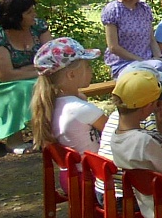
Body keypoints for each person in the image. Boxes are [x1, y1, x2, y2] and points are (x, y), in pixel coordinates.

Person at [106, 67, 162, 218]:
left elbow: (161, 154)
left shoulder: (117, 137)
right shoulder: (145, 140)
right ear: (147, 107)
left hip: (151, 210)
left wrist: (160, 123)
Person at [29, 37, 107, 188]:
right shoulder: (82, 109)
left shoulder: (51, 105)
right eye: (87, 66)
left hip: (70, 178)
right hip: (94, 179)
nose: (91, 70)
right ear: (71, 75)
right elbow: (117, 131)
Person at [0, 0, 51, 152]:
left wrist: (37, 70)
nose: (34, 15)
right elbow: (5, 75)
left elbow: (51, 58)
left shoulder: (38, 27)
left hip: (31, 73)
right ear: (14, 17)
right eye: (29, 12)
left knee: (52, 83)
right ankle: (14, 140)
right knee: (26, 88)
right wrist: (39, 70)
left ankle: (45, 136)